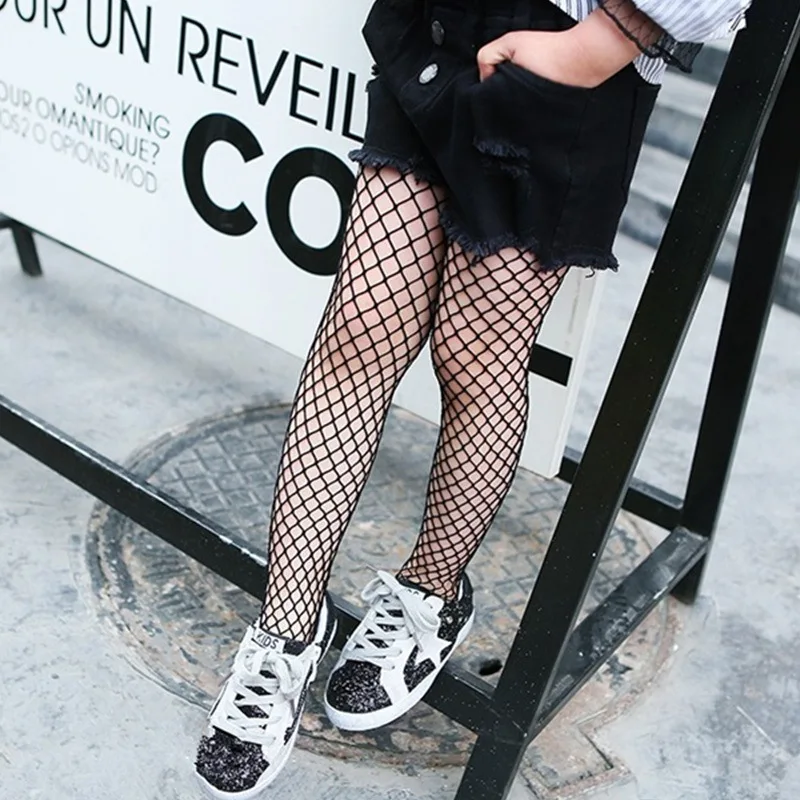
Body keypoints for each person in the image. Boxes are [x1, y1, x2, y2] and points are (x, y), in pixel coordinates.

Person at [194, 0, 751, 796]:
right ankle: (284, 631)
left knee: (474, 353)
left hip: (569, 53)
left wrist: (603, 42)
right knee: (361, 325)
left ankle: (431, 592)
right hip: (437, 26)